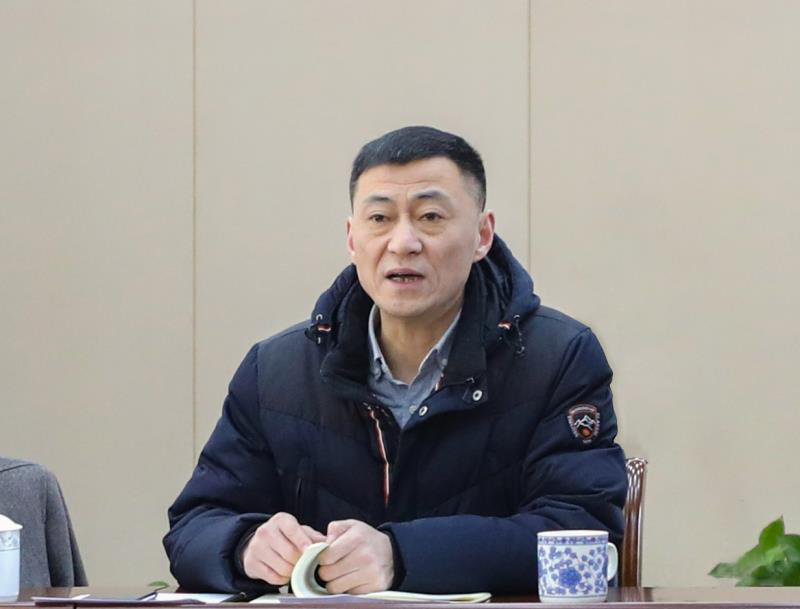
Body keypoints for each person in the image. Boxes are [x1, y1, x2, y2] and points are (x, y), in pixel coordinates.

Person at [163, 126, 627, 595]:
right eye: (380, 218)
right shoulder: (277, 371)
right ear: (352, 238)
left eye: (430, 216)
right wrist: (244, 546)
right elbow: (194, 525)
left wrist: (402, 556)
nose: (403, 242)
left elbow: (582, 528)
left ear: (482, 235)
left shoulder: (556, 358)